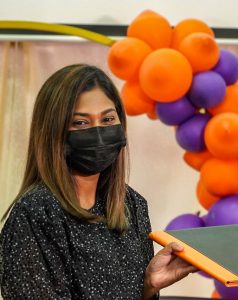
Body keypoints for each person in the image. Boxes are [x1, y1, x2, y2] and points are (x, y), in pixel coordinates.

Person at [0, 64, 196, 299]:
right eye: (81, 123)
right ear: (54, 133)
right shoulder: (35, 213)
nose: (99, 133)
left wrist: (149, 285)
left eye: (107, 119)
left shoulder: (132, 204)